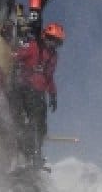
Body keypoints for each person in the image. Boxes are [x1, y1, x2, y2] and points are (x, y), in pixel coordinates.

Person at [11, 22, 63, 170]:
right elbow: (15, 56)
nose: (52, 44)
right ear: (44, 36)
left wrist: (53, 94)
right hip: (23, 88)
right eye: (50, 39)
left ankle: (34, 153)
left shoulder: (53, 57)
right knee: (27, 121)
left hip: (38, 93)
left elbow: (49, 77)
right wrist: (15, 64)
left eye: (56, 42)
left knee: (41, 125)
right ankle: (25, 151)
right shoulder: (34, 47)